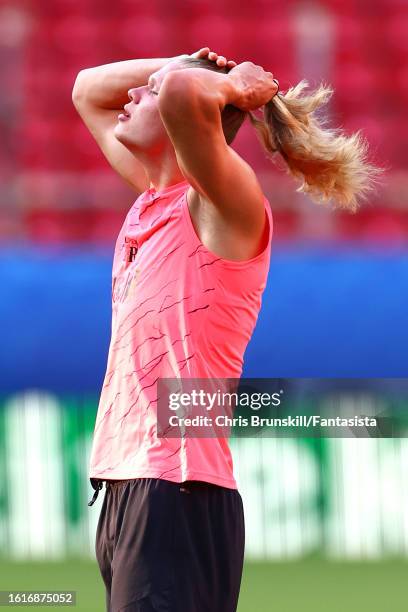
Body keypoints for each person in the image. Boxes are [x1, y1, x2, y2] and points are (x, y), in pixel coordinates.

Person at [72, 46, 380, 612]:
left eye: (153, 90)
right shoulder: (153, 199)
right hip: (127, 489)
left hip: (175, 490)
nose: (136, 93)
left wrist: (233, 86)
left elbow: (186, 96)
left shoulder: (224, 204)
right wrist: (183, 60)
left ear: (178, 118)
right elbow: (87, 87)